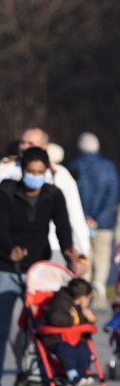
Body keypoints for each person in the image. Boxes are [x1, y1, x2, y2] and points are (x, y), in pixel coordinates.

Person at [0, 146, 81, 386]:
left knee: (34, 328)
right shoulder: (7, 190)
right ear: (22, 170)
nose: (34, 176)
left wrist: (69, 249)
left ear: (47, 172)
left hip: (37, 268)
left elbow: (62, 226)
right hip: (5, 265)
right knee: (1, 328)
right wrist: (10, 247)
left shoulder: (52, 194)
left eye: (40, 172)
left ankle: (27, 375)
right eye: (30, 171)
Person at [0, 127, 90, 272]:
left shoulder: (60, 175)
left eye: (30, 143)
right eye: (22, 142)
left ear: (45, 147)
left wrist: (82, 254)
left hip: (51, 246)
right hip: (9, 245)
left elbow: (74, 214)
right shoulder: (6, 168)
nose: (24, 146)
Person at [67, 132, 119, 311]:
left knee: (83, 254)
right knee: (103, 256)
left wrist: (84, 219)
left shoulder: (74, 166)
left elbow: (70, 196)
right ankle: (99, 284)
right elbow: (112, 195)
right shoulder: (109, 167)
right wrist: (98, 218)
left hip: (80, 223)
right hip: (104, 224)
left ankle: (84, 291)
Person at [42, 277, 96, 386]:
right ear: (82, 297)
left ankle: (83, 375)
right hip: (57, 339)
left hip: (75, 339)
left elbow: (81, 323)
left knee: (84, 350)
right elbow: (54, 318)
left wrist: (89, 319)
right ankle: (73, 376)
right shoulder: (60, 301)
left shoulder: (80, 307)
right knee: (68, 351)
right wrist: (73, 320)